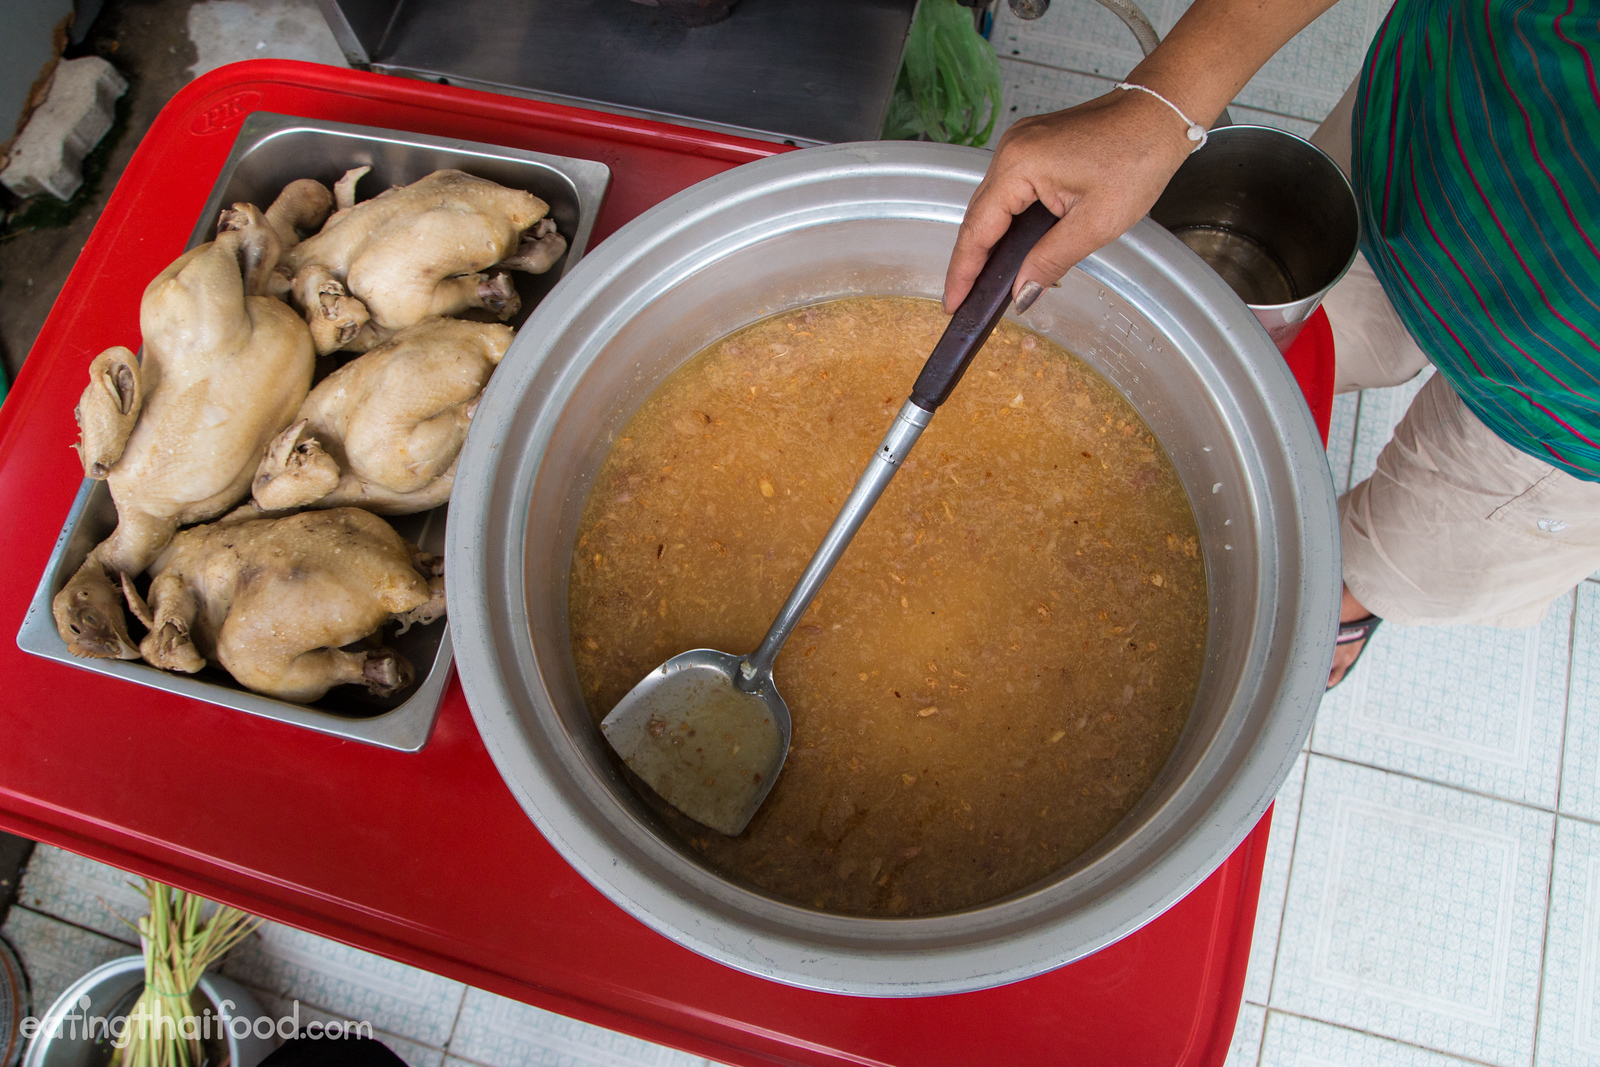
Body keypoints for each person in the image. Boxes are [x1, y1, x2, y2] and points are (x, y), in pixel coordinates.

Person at [945, 0, 1600, 688]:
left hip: (1569, 407)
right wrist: (1163, 103)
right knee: (1297, 355)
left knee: (1415, 551)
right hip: (1437, 123)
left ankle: (1344, 601)